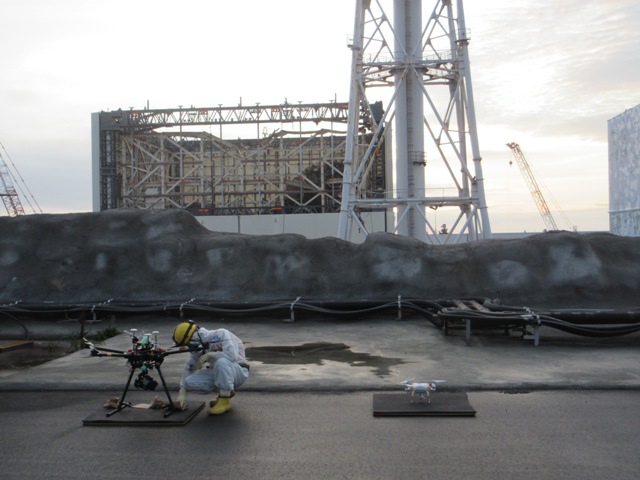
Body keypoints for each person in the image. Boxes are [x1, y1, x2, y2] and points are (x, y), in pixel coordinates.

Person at [172, 320, 249, 415]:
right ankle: (226, 392)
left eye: (188, 344)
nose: (189, 347)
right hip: (220, 372)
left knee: (222, 362)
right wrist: (182, 392)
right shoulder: (198, 347)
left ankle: (224, 400)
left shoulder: (221, 334)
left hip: (239, 370)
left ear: (194, 337)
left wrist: (211, 355)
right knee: (189, 382)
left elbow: (232, 356)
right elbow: (189, 366)